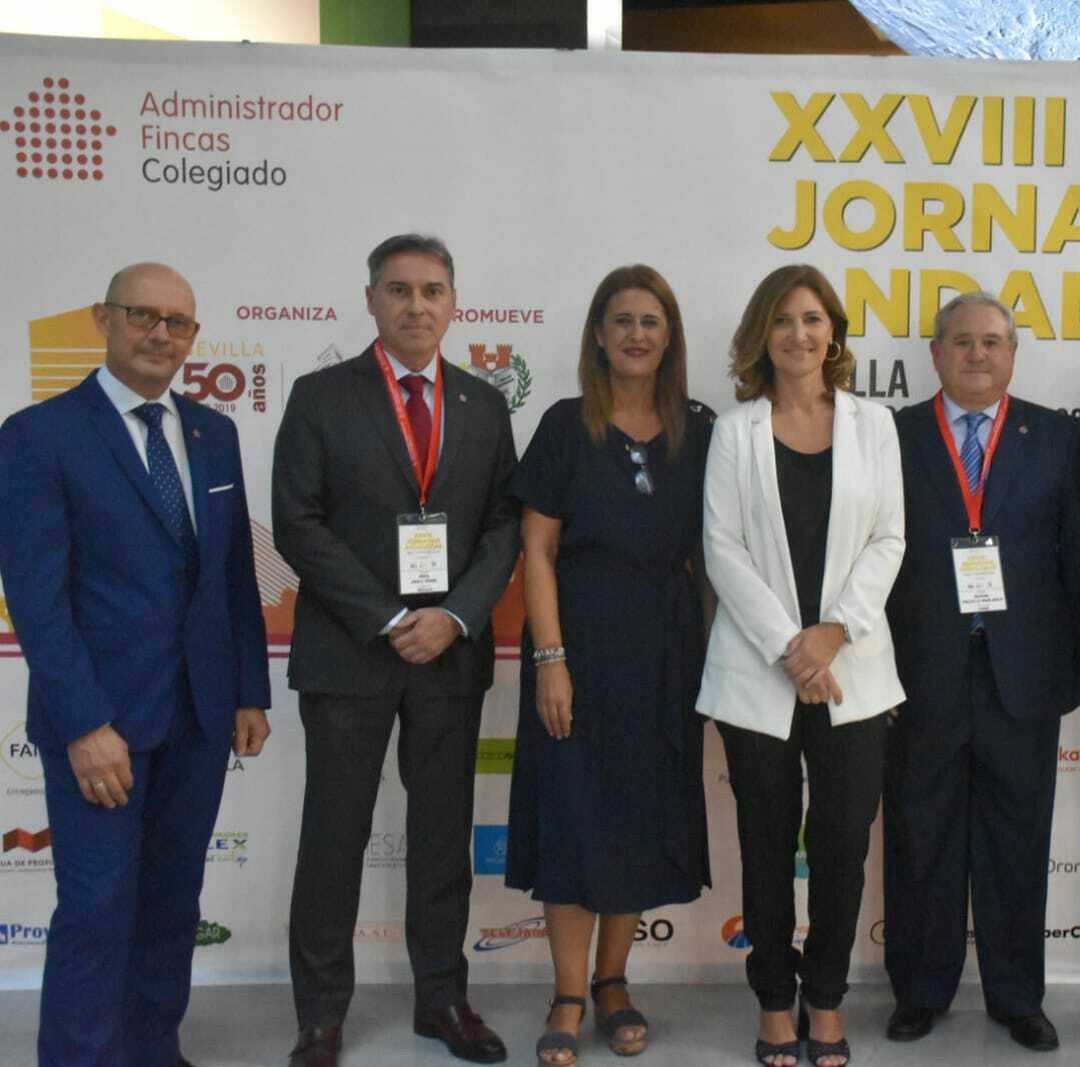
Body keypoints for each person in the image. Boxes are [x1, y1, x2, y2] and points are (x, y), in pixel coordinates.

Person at [0, 262, 271, 1066]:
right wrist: (85, 724)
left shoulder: (211, 432)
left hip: (199, 713)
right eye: (142, 315)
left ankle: (153, 1048)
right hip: (101, 725)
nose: (161, 334)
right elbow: (37, 601)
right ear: (103, 319)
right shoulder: (38, 435)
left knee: (169, 903)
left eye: (178, 322)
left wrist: (248, 690)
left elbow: (230, 576)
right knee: (95, 908)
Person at [272, 234, 520, 1067]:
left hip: (449, 654)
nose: (418, 306)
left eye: (434, 291)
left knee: (444, 836)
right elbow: (297, 521)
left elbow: (502, 525)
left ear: (455, 303)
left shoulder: (485, 405)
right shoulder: (320, 396)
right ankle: (320, 1015)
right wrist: (387, 617)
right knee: (333, 837)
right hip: (350, 653)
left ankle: (442, 999)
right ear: (371, 299)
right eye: (400, 290)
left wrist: (453, 615)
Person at [698, 264, 905, 1067]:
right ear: (762, 335)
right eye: (783, 320)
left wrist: (832, 635)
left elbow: (890, 538)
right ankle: (775, 1003)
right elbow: (723, 549)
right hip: (762, 674)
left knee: (844, 842)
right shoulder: (734, 431)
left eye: (814, 318)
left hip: (851, 671)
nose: (799, 334)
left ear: (835, 333)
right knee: (766, 841)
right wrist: (794, 645)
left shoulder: (873, 426)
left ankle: (826, 999)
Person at [511, 265, 714, 1066]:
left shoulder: (699, 427)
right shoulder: (566, 425)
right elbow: (537, 546)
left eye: (651, 322)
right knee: (574, 814)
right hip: (580, 645)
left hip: (666, 650)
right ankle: (566, 989)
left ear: (670, 338)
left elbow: (719, 549)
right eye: (622, 319)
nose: (636, 333)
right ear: (598, 333)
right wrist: (551, 660)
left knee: (636, 813)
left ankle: (614, 982)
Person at [882, 291, 1080, 1053]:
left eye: (993, 342)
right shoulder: (891, 433)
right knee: (920, 836)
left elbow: (1079, 557)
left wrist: (1072, 666)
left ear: (1013, 354)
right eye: (962, 342)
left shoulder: (1059, 438)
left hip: (1023, 675)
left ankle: (1015, 994)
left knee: (1016, 840)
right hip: (919, 671)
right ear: (934, 354)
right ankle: (920, 988)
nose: (977, 354)